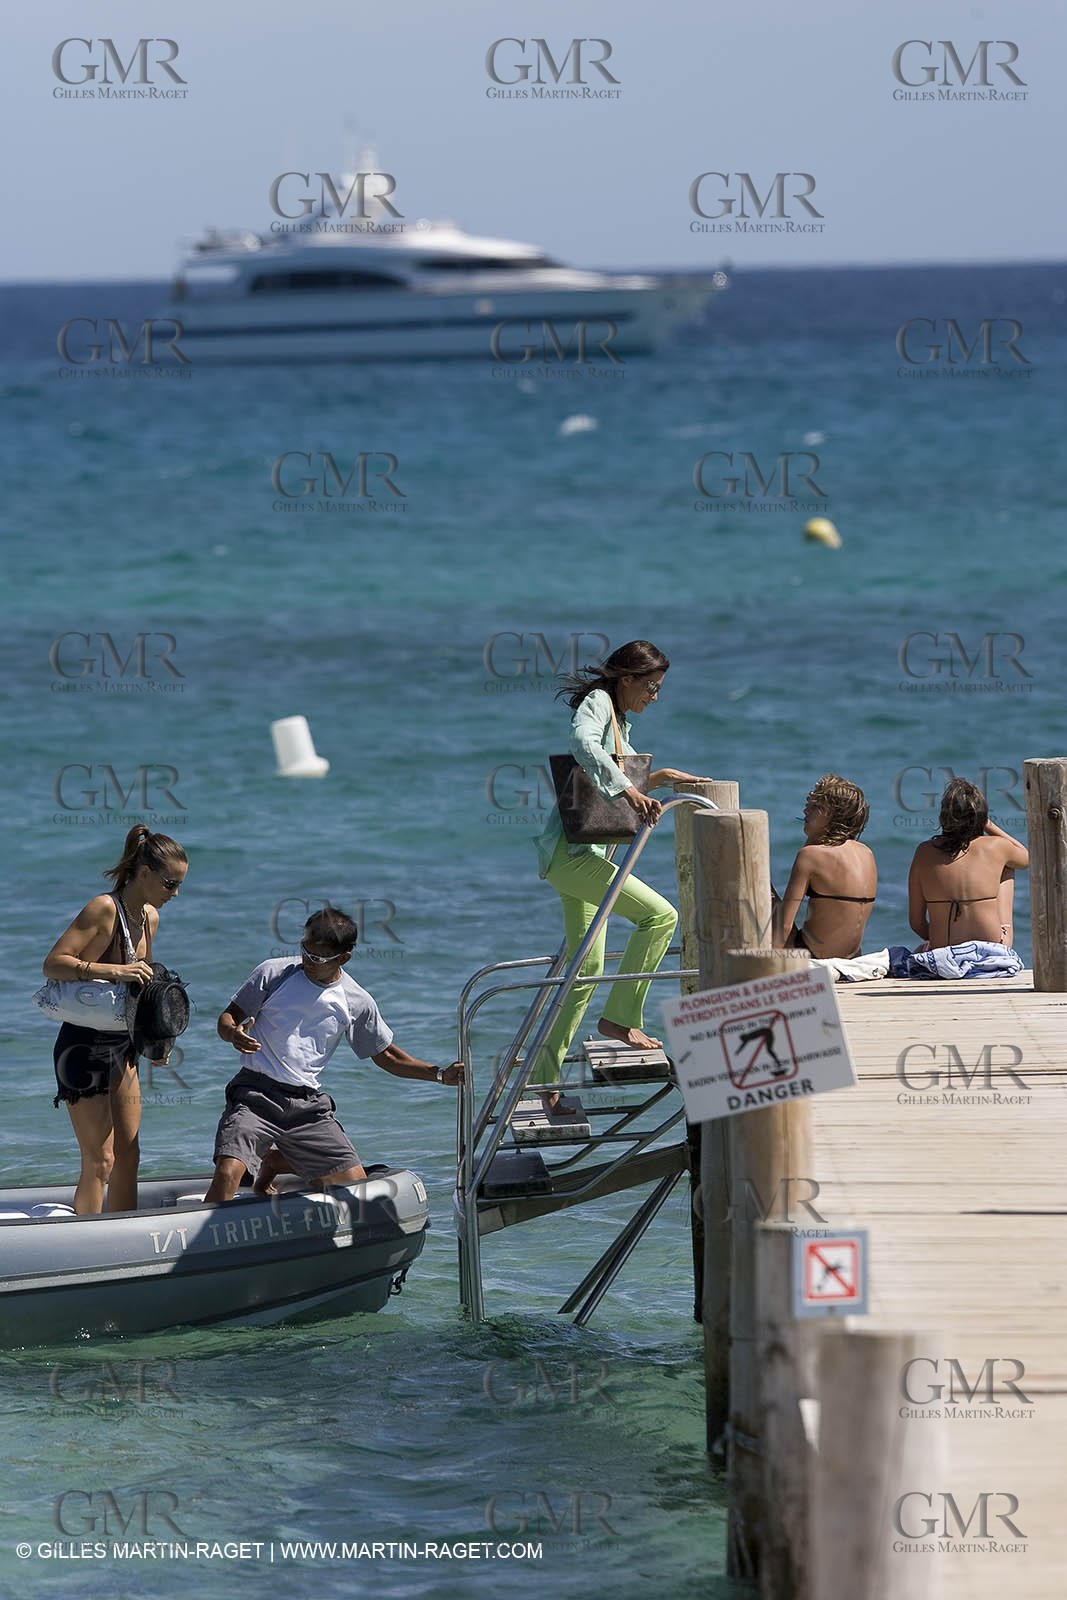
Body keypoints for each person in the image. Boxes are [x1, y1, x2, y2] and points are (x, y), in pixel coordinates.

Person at [531, 639, 712, 1114]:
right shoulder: (598, 704)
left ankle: (543, 1084)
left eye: (660, 687)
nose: (656, 695)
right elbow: (582, 745)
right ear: (627, 679)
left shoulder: (620, 718)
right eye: (651, 686)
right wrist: (630, 790)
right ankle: (621, 1019)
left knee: (585, 972)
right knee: (661, 917)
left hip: (577, 857)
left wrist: (662, 777)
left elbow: (612, 769)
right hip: (574, 857)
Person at [203, 908, 464, 1202]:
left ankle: (276, 1161)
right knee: (228, 1173)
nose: (308, 961)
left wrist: (440, 1074)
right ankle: (202, 1239)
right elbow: (227, 1018)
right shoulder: (273, 973)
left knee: (355, 1186)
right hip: (255, 1095)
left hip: (306, 1107)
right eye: (305, 950)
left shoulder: (356, 1001)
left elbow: (387, 1055)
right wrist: (233, 1034)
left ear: (343, 957)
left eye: (318, 958)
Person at [43, 826, 189, 1214]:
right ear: (144, 874)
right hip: (81, 1046)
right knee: (100, 1160)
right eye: (170, 884)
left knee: (129, 1153)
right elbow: (53, 964)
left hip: (124, 1046)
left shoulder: (150, 917)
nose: (176, 894)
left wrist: (158, 1042)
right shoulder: (103, 909)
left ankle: (123, 1237)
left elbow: (146, 988)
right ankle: (82, 1246)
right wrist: (113, 971)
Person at [908, 777, 1028, 949]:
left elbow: (916, 922)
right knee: (1008, 866)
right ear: (981, 816)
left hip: (944, 949)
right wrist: (988, 824)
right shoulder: (996, 846)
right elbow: (1025, 858)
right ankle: (1000, 938)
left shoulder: (924, 852)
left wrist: (940, 939)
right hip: (992, 948)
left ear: (945, 816)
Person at [774, 776, 877, 959]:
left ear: (833, 814)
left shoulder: (810, 855)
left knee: (766, 892)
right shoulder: (866, 853)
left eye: (815, 806)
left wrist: (767, 968)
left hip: (814, 956)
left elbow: (784, 924)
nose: (805, 810)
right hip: (852, 957)